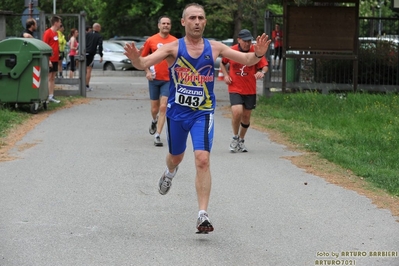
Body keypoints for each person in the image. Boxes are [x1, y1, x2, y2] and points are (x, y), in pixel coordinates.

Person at [124, 3, 271, 234]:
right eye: (192, 18)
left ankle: (202, 214)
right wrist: (135, 59)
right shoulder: (173, 48)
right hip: (176, 113)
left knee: (202, 159)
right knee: (175, 157)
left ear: (205, 22)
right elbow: (143, 64)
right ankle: (170, 172)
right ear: (183, 22)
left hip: (203, 112)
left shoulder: (214, 48)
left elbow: (248, 59)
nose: (196, 22)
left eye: (201, 18)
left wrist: (260, 53)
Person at [219, 29, 268, 153]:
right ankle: (235, 137)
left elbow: (264, 65)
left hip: (250, 89)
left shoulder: (255, 50)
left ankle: (241, 140)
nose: (247, 44)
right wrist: (225, 75)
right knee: (237, 112)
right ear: (239, 40)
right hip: (235, 87)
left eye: (249, 41)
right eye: (245, 41)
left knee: (246, 117)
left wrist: (261, 72)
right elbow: (223, 63)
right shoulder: (231, 50)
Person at [141, 16, 177, 147]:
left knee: (164, 107)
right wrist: (147, 72)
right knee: (155, 108)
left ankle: (158, 135)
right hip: (154, 79)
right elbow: (143, 58)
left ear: (170, 26)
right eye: (163, 23)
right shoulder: (151, 40)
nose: (166, 25)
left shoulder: (175, 42)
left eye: (168, 23)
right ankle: (154, 120)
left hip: (169, 80)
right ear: (159, 25)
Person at [42, 15, 62, 103]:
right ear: (56, 23)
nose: (60, 24)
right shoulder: (47, 32)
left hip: (55, 59)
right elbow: (45, 45)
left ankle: (51, 95)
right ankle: (45, 95)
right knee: (49, 77)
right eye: (59, 22)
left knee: (53, 77)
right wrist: (48, 59)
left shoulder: (56, 33)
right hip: (50, 59)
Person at [85, 23, 103, 91]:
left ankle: (82, 85)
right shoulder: (98, 36)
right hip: (91, 54)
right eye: (100, 27)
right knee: (89, 70)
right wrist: (101, 55)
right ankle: (86, 86)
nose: (100, 29)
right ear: (97, 27)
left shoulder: (87, 34)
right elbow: (100, 46)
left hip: (84, 53)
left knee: (84, 70)